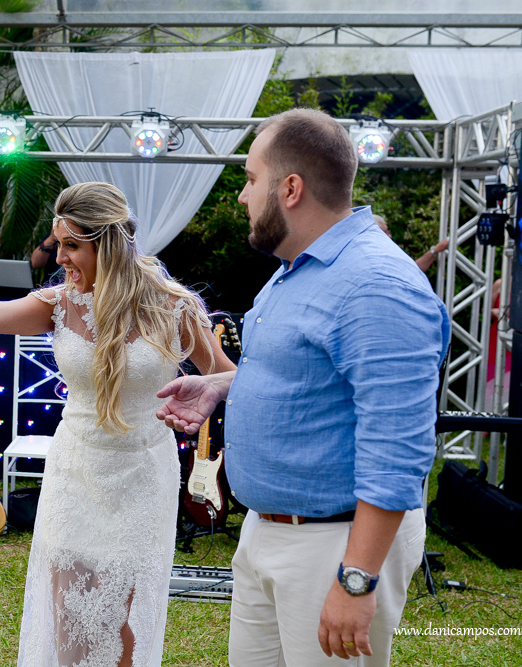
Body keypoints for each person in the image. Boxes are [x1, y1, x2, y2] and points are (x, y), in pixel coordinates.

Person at [0, 181, 235, 667]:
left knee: (125, 624)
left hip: (142, 475)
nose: (61, 259)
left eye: (73, 246)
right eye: (58, 245)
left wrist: (208, 393)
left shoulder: (170, 306)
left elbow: (226, 375)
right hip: (76, 470)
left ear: (109, 243)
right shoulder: (60, 302)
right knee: (72, 611)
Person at [156, 109, 450, 667]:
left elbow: (398, 449)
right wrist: (222, 386)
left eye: (249, 179)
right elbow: (302, 378)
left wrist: (356, 580)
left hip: (333, 546)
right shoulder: (297, 267)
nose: (242, 197)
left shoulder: (376, 285)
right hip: (267, 534)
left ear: (290, 188)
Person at [373, 213, 449, 272]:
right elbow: (411, 270)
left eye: (388, 231)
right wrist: (434, 251)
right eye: (385, 232)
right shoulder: (378, 258)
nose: (390, 236)